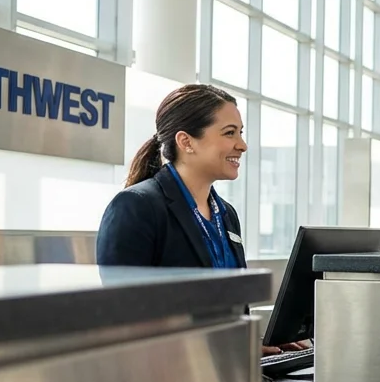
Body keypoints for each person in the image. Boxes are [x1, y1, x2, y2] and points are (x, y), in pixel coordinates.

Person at [96, 83, 306, 356]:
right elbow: (125, 317)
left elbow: (231, 312)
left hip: (225, 372)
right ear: (186, 142)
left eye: (240, 133)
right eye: (229, 133)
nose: (241, 145)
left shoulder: (226, 213)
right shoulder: (137, 207)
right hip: (164, 379)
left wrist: (252, 345)